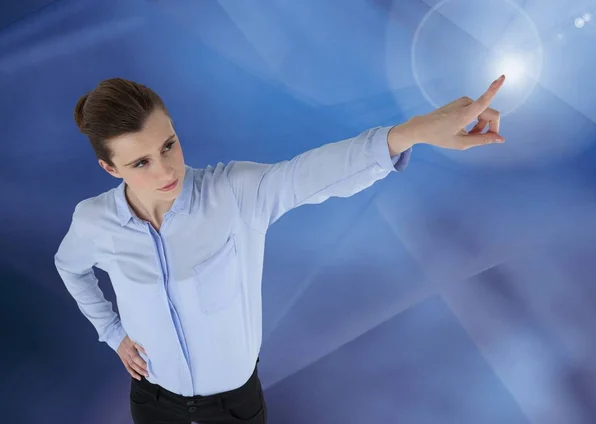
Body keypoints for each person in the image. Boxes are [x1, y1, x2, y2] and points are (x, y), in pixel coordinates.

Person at [54, 75, 505, 424]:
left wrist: (413, 132)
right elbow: (69, 267)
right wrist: (113, 333)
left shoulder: (234, 193)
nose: (167, 167)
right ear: (109, 168)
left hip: (233, 408)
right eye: (140, 162)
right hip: (152, 403)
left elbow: (312, 173)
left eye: (168, 144)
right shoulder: (95, 222)